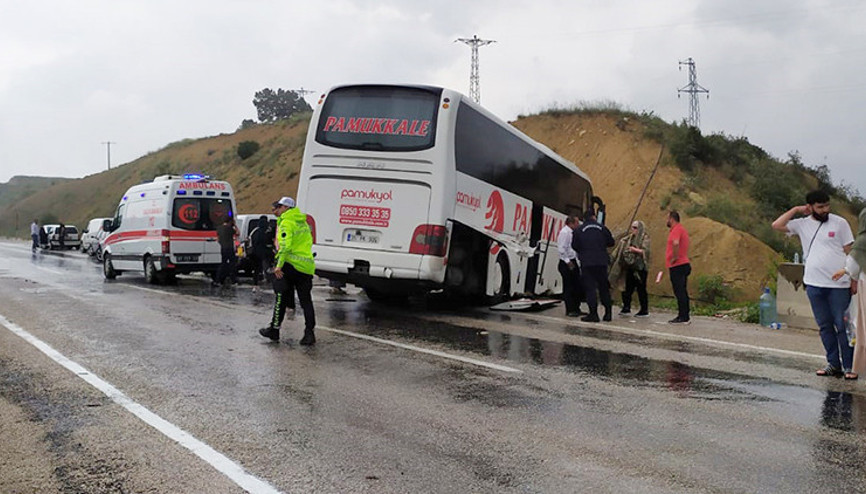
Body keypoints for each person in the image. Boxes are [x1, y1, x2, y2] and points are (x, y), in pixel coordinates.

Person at [772, 190, 855, 377]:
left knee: (842, 326)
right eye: (820, 207)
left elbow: (851, 252)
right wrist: (795, 209)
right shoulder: (802, 225)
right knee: (825, 325)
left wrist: (854, 278)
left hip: (839, 285)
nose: (825, 210)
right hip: (814, 284)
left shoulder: (840, 223)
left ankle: (849, 366)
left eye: (827, 205)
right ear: (810, 207)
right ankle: (833, 364)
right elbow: (777, 225)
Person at [259, 196, 316, 346]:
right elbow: (308, 242)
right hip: (306, 266)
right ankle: (309, 333)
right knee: (306, 301)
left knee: (280, 295)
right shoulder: (303, 223)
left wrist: (279, 265)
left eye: (279, 207)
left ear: (286, 208)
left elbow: (285, 246)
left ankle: (274, 329)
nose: (276, 210)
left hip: (289, 265)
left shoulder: (286, 222)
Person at [831, 207, 866, 380]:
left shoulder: (863, 241)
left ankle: (859, 367)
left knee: (863, 327)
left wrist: (845, 271)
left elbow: (853, 265)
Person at [572, 209, 615, 322]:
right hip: (601, 262)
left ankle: (593, 314)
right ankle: (608, 313)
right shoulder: (602, 228)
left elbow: (574, 245)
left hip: (587, 263)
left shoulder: (579, 230)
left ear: (584, 218)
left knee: (590, 289)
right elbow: (611, 242)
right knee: (604, 288)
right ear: (594, 217)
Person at [613, 220, 651, 317]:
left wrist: (635, 250)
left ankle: (644, 309)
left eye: (635, 228)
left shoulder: (645, 238)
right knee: (627, 288)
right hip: (630, 266)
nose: (633, 230)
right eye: (632, 227)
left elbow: (645, 252)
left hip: (640, 267)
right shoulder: (629, 239)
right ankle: (626, 307)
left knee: (641, 288)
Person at [666, 211, 691, 324]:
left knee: (679, 291)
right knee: (682, 290)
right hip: (682, 264)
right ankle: (684, 314)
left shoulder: (677, 229)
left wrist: (675, 257)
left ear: (672, 219)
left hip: (678, 265)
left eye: (667, 218)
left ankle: (683, 315)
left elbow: (676, 243)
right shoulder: (680, 229)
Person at [557, 215, 582, 317]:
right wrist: (568, 261)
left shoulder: (572, 233)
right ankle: (570, 309)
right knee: (568, 286)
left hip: (573, 260)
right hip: (566, 262)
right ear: (571, 223)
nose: (578, 225)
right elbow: (561, 248)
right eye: (577, 223)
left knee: (576, 285)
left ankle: (576, 308)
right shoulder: (565, 232)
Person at [213, 216, 239, 286]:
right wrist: (235, 225)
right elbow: (238, 233)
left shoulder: (219, 228)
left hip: (223, 248)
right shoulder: (230, 229)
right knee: (232, 265)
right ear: (230, 222)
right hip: (230, 248)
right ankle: (233, 281)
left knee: (223, 264)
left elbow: (218, 239)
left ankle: (218, 280)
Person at [249, 215, 272, 285]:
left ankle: (255, 282)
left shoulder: (255, 230)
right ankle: (268, 279)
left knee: (256, 268)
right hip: (264, 253)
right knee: (266, 266)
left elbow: (251, 239)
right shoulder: (267, 231)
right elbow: (268, 241)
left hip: (254, 252)